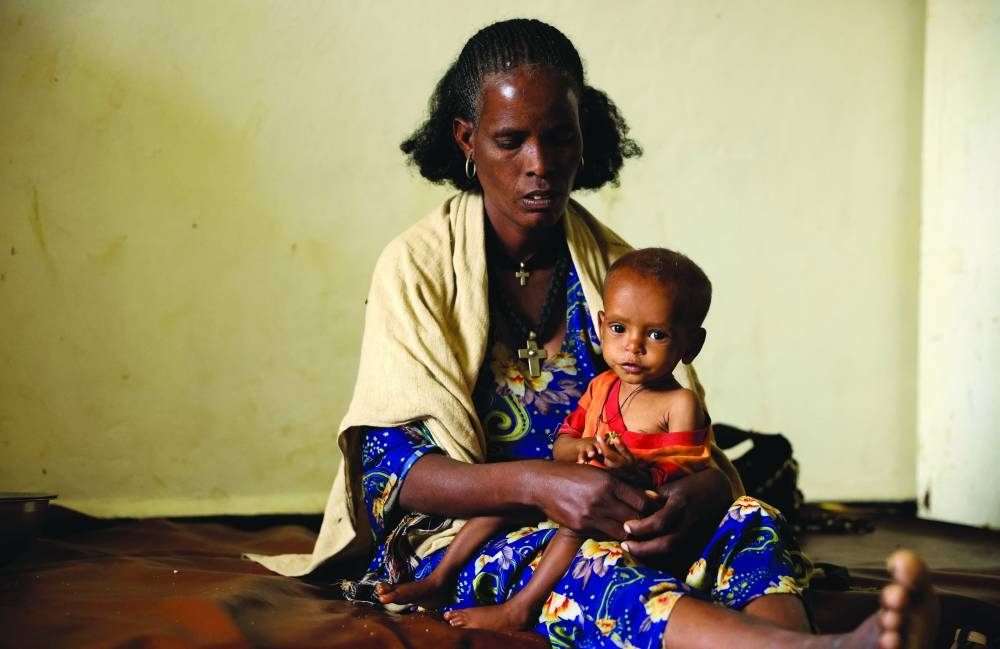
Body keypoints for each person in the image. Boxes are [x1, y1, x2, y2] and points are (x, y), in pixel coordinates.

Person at [250, 18, 938, 649]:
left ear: (586, 135)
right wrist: (544, 483)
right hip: (468, 540)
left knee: (750, 516)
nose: (540, 163)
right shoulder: (417, 267)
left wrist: (700, 493)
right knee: (588, 564)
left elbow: (688, 442)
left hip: (615, 519)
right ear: (466, 139)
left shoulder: (617, 271)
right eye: (511, 139)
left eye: (559, 136)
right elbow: (389, 471)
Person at [376, 247, 718, 630]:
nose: (632, 346)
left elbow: (688, 469)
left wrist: (636, 470)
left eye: (656, 335)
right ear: (602, 324)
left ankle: (521, 607)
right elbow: (564, 441)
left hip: (622, 509)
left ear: (690, 345)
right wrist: (581, 450)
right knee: (501, 504)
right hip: (573, 490)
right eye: (619, 329)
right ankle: (439, 580)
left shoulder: (679, 403)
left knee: (574, 528)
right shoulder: (602, 386)